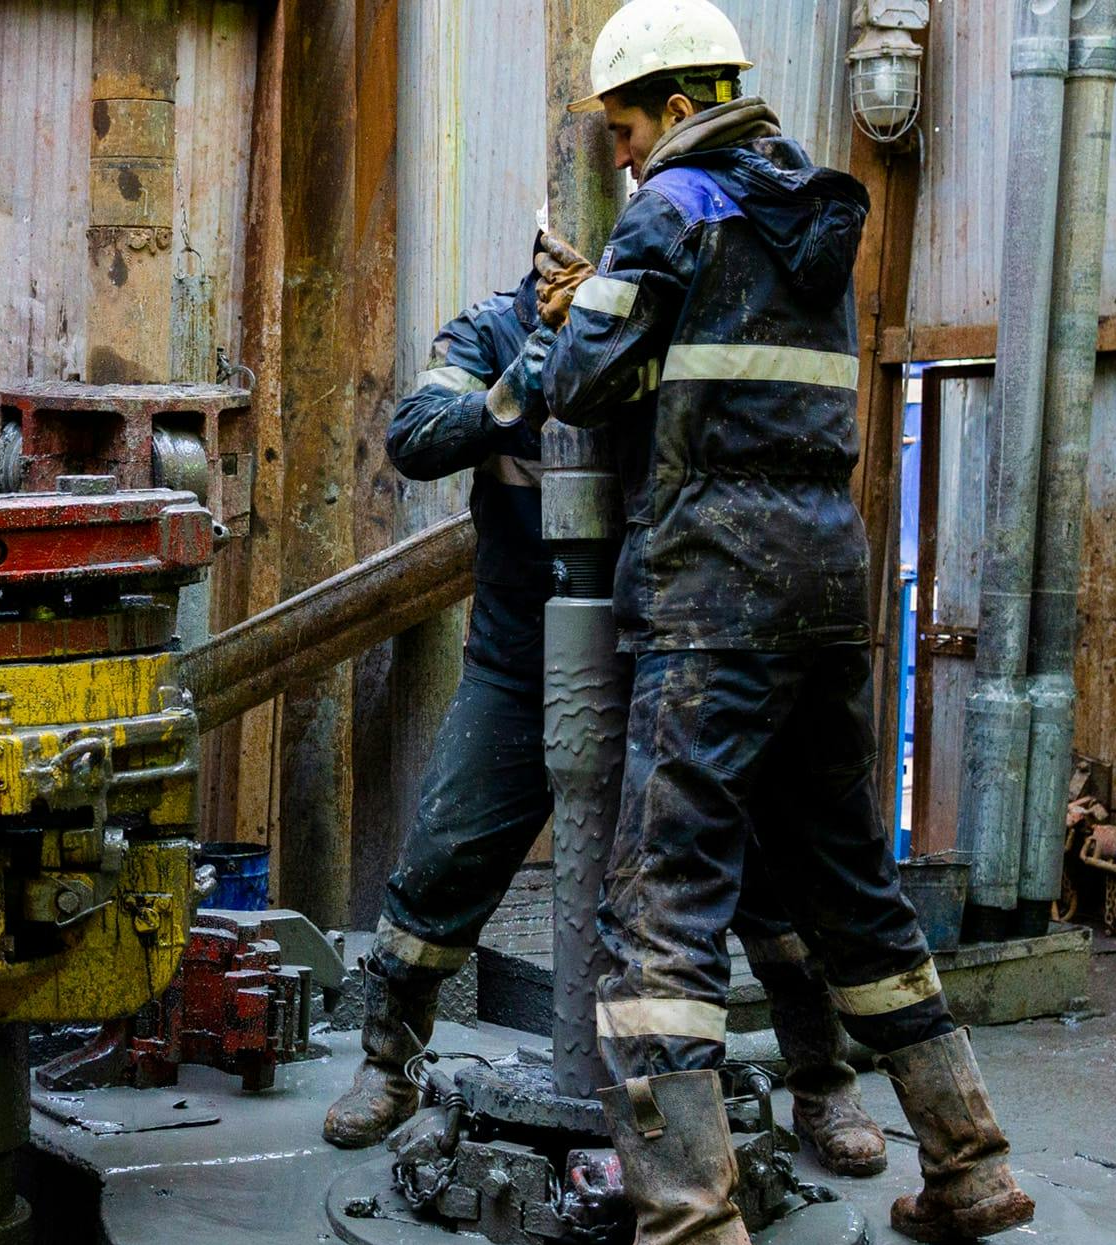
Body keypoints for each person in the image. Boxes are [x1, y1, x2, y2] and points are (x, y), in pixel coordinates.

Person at [536, 3, 1034, 1245]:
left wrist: (578, 300)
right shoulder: (811, 213)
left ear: (663, 105)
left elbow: (582, 383)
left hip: (715, 581)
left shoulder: (669, 210)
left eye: (626, 127)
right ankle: (970, 1161)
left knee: (660, 889)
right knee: (847, 879)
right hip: (828, 569)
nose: (625, 152)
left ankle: (690, 1226)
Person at [323, 247, 889, 1188]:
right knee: (444, 854)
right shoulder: (489, 334)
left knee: (761, 881)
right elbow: (418, 436)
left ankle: (825, 1084)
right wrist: (540, 367)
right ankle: (389, 1066)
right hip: (518, 660)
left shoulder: (659, 336)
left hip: (660, 660)